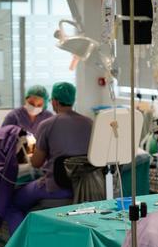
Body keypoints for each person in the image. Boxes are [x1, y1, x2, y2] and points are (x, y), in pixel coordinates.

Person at [7, 82, 93, 234]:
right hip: (83, 188)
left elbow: (36, 163)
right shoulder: (90, 123)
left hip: (55, 187)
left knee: (11, 202)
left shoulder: (48, 123)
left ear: (53, 101)